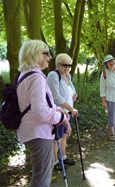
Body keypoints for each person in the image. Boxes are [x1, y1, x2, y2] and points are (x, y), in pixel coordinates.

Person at [16, 39, 71, 187]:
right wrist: (60, 117)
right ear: (36, 54)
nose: (50, 57)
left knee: (40, 175)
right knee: (42, 178)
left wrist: (59, 111)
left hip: (31, 131)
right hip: (38, 132)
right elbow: (40, 110)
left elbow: (44, 105)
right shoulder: (36, 77)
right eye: (47, 53)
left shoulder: (25, 74)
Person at [47, 53, 78, 171]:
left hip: (67, 112)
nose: (67, 68)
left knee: (65, 135)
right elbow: (55, 97)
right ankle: (54, 161)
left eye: (69, 65)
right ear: (57, 64)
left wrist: (74, 95)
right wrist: (71, 108)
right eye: (64, 65)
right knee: (56, 138)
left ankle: (63, 157)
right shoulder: (53, 75)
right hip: (58, 112)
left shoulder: (67, 76)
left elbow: (71, 91)